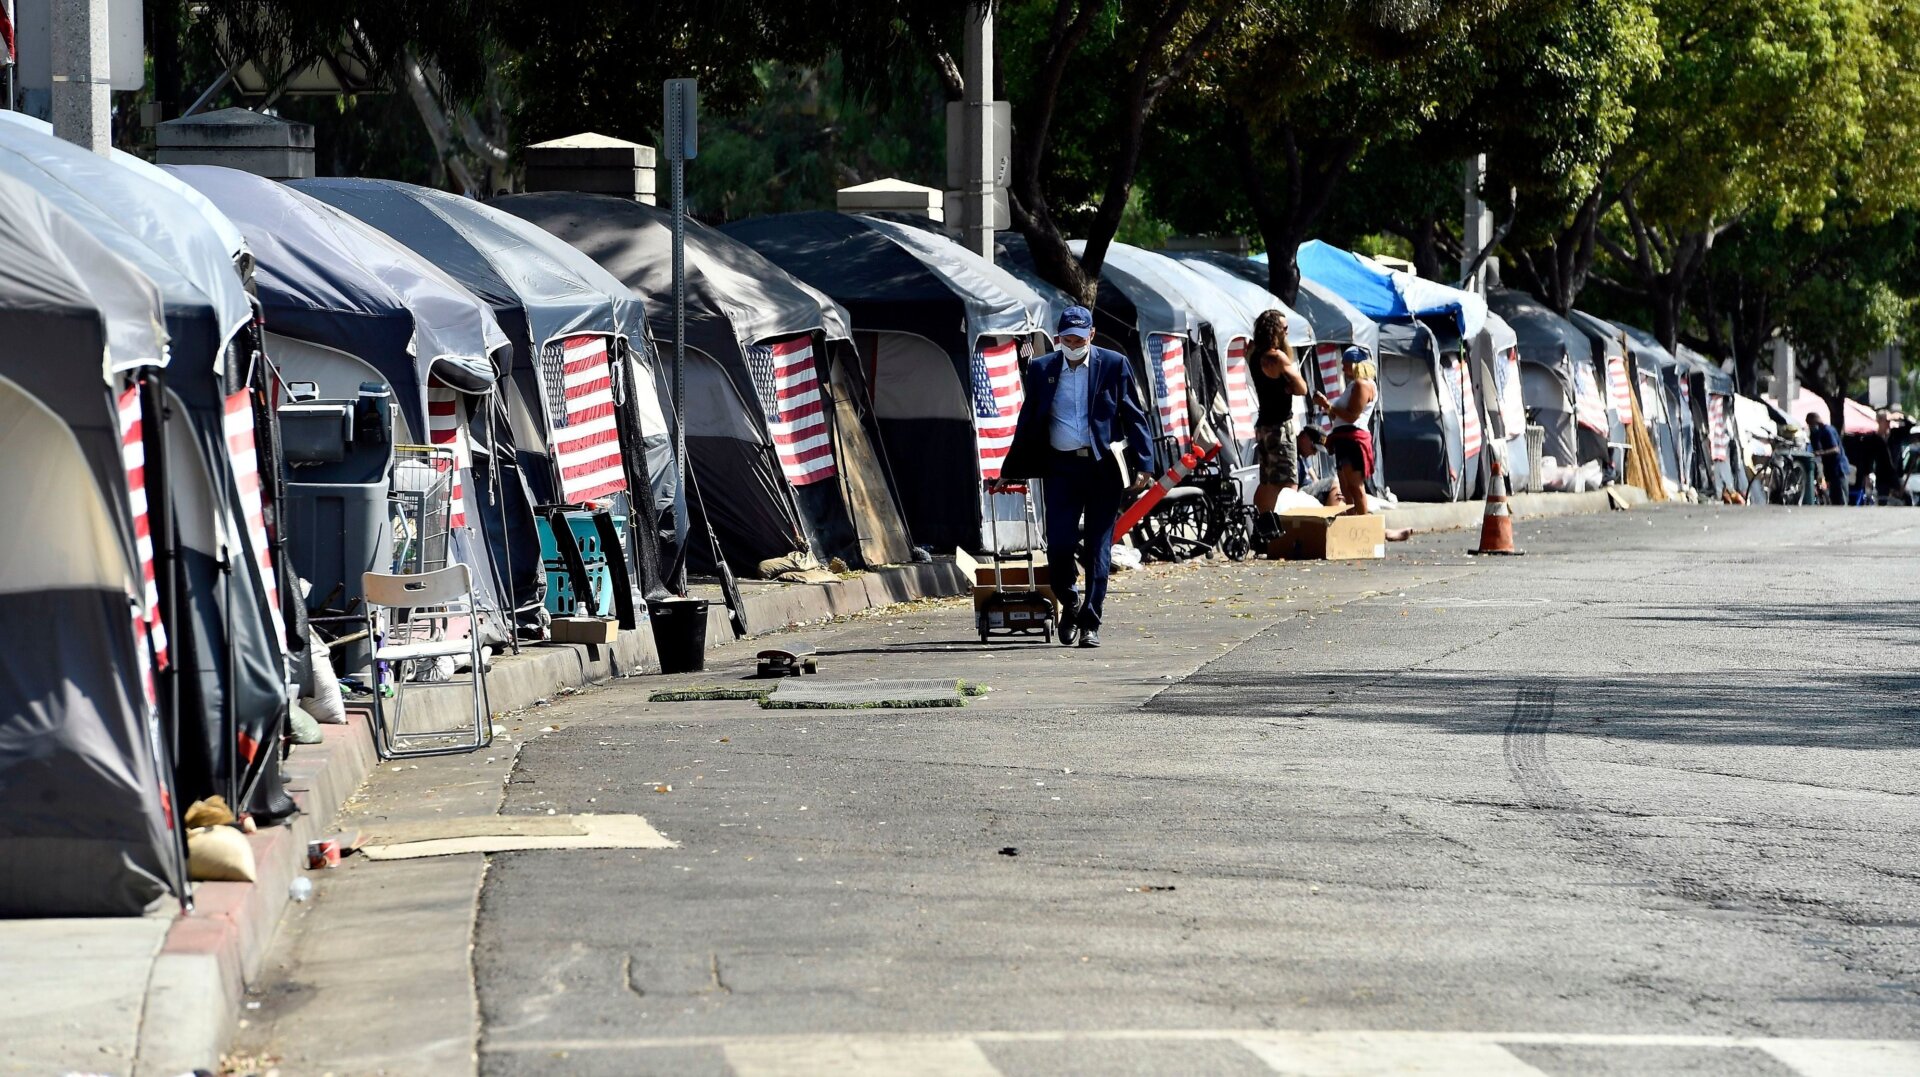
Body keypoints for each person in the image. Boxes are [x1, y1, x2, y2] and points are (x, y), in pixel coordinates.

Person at [999, 305, 1153, 649]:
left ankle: (1090, 621)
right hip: (1060, 468)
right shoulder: (1041, 368)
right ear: (1058, 338)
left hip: (1102, 467)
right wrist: (1008, 471)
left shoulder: (1113, 364)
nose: (1073, 344)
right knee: (1059, 544)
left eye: (1079, 338)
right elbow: (1028, 421)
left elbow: (1134, 414)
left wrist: (1145, 463)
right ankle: (1069, 603)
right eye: (1067, 338)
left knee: (1099, 548)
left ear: (1091, 335)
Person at [1249, 310, 1309, 530]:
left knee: (1267, 481)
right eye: (1284, 328)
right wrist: (1289, 382)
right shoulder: (1278, 357)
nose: (1287, 332)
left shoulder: (1255, 355)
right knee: (1287, 482)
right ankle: (1285, 529)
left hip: (1263, 424)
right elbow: (1302, 388)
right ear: (1275, 330)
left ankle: (1262, 526)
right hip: (1280, 426)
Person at [1313, 347, 1378, 516]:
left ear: (1356, 364)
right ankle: (1351, 522)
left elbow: (1351, 416)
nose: (1343, 369)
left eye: (1346, 364)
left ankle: (1362, 524)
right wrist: (1326, 405)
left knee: (1355, 485)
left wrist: (1329, 405)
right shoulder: (1353, 386)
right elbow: (1340, 418)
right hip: (1344, 438)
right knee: (1346, 487)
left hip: (1353, 439)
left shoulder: (1362, 384)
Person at [1808, 411, 1845, 504]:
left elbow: (1835, 449)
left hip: (1838, 468)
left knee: (1840, 498)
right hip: (1830, 470)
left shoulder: (1827, 430)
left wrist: (1821, 453)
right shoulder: (1819, 432)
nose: (1810, 426)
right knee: (1834, 498)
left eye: (1810, 423)